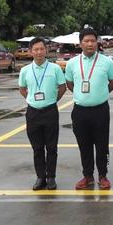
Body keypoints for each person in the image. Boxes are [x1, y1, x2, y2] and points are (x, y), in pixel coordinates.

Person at [65, 28, 113, 190]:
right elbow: (69, 84)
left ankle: (103, 175)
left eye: (93, 41)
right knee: (84, 145)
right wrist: (83, 96)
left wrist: (99, 94)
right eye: (86, 41)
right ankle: (87, 176)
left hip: (100, 110)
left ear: (97, 42)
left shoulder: (106, 62)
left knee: (102, 145)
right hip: (80, 111)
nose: (90, 44)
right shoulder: (72, 63)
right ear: (80, 43)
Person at [18, 37, 66, 190]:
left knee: (51, 147)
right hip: (33, 113)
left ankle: (51, 177)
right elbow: (22, 89)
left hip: (50, 111)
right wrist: (32, 101)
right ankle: (40, 177)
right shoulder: (25, 70)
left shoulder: (55, 68)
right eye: (36, 49)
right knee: (37, 148)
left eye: (41, 49)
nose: (39, 52)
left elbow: (62, 87)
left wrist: (52, 100)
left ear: (46, 50)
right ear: (31, 51)